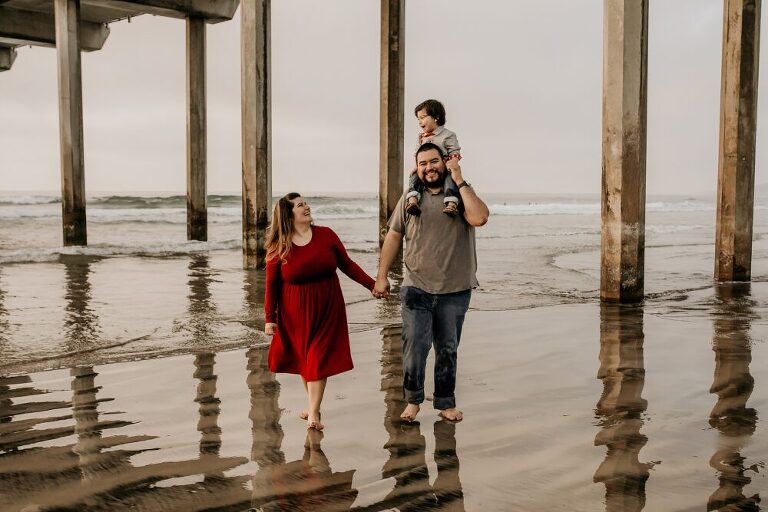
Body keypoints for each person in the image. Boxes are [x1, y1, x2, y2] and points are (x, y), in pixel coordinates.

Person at [374, 142, 489, 422]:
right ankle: (413, 400)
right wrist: (381, 275)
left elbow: (480, 217)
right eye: (423, 163)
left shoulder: (459, 194)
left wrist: (459, 179)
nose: (429, 167)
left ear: (444, 162)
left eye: (434, 161)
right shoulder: (411, 197)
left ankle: (445, 403)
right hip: (416, 286)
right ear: (418, 167)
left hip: (455, 288)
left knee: (447, 348)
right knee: (415, 345)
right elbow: (393, 235)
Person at [264, 193, 375, 430]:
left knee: (317, 359)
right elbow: (271, 285)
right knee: (306, 362)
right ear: (288, 213)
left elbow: (347, 265)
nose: (306, 207)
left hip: (328, 307)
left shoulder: (326, 235)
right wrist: (269, 318)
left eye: (306, 203)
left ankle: (313, 413)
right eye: (300, 205)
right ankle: (314, 406)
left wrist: (372, 285)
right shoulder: (279, 247)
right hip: (294, 314)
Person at [406, 99, 462, 217]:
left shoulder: (448, 135)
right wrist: (417, 166)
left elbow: (454, 151)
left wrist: (453, 164)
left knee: (449, 181)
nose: (420, 121)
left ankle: (451, 204)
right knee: (413, 177)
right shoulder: (420, 137)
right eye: (418, 119)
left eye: (423, 117)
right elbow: (417, 153)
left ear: (436, 117)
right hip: (426, 169)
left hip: (444, 168)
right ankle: (413, 202)